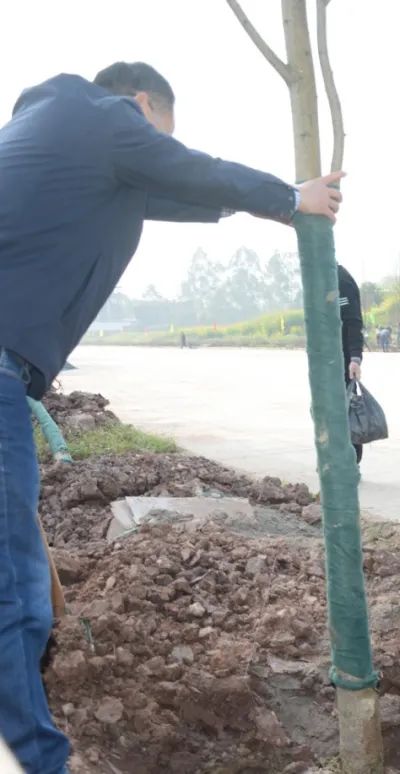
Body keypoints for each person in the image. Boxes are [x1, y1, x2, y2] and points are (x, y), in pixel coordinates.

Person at [0, 62, 344, 774]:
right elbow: (187, 169)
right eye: (158, 129)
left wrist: (261, 207)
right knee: (17, 592)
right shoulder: (102, 117)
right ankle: (40, 761)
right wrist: (290, 196)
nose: (153, 144)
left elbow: (173, 191)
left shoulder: (47, 132)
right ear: (143, 103)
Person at [338, 264, 365, 470]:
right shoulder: (317, 280)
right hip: (325, 363)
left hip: (344, 361)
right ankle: (334, 458)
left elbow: (354, 322)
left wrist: (355, 358)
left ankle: (351, 461)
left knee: (347, 411)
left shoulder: (341, 279)